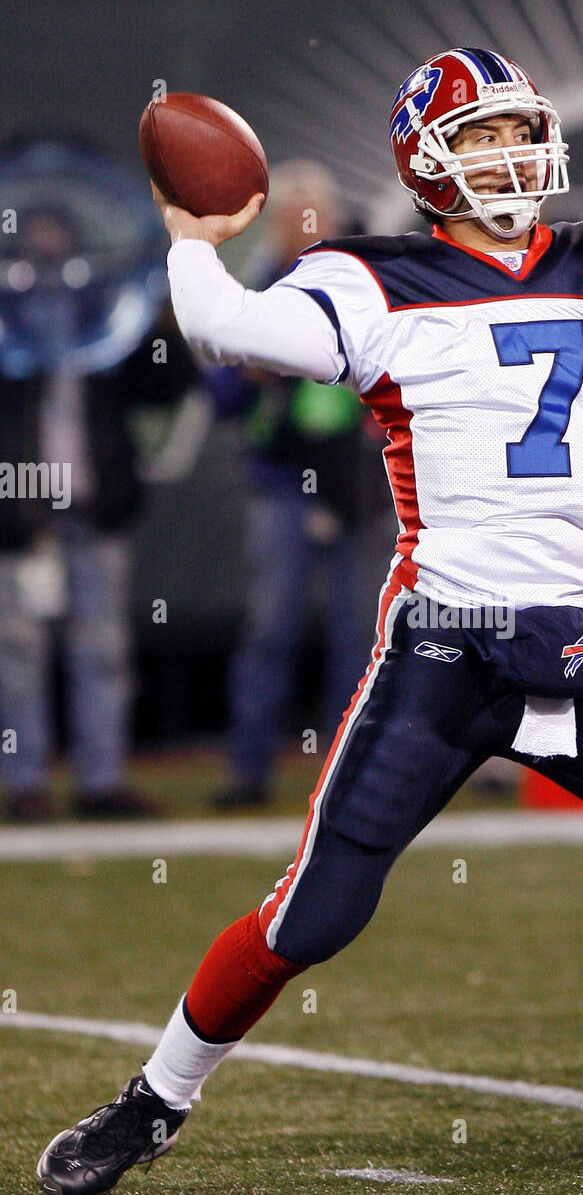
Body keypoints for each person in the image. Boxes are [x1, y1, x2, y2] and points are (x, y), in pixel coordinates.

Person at [37, 49, 583, 1195]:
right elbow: (228, 332)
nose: (508, 153)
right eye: (480, 135)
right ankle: (151, 1099)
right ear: (427, 158)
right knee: (311, 916)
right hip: (440, 650)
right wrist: (194, 235)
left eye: (516, 129)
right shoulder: (367, 276)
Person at [0, 206, 196, 821]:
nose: (48, 244)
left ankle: (101, 780)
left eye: (58, 232)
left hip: (96, 505)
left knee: (103, 650)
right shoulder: (7, 319)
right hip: (22, 512)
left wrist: (161, 316)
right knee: (18, 652)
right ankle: (26, 781)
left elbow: (164, 386)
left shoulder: (106, 314)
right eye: (37, 234)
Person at [207, 162, 383, 807]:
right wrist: (250, 372)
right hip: (282, 483)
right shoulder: (257, 293)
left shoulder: (367, 287)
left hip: (358, 486)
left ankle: (349, 773)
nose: (305, 231)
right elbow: (221, 391)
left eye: (316, 218)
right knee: (271, 628)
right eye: (293, 218)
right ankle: (249, 766)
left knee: (360, 634)